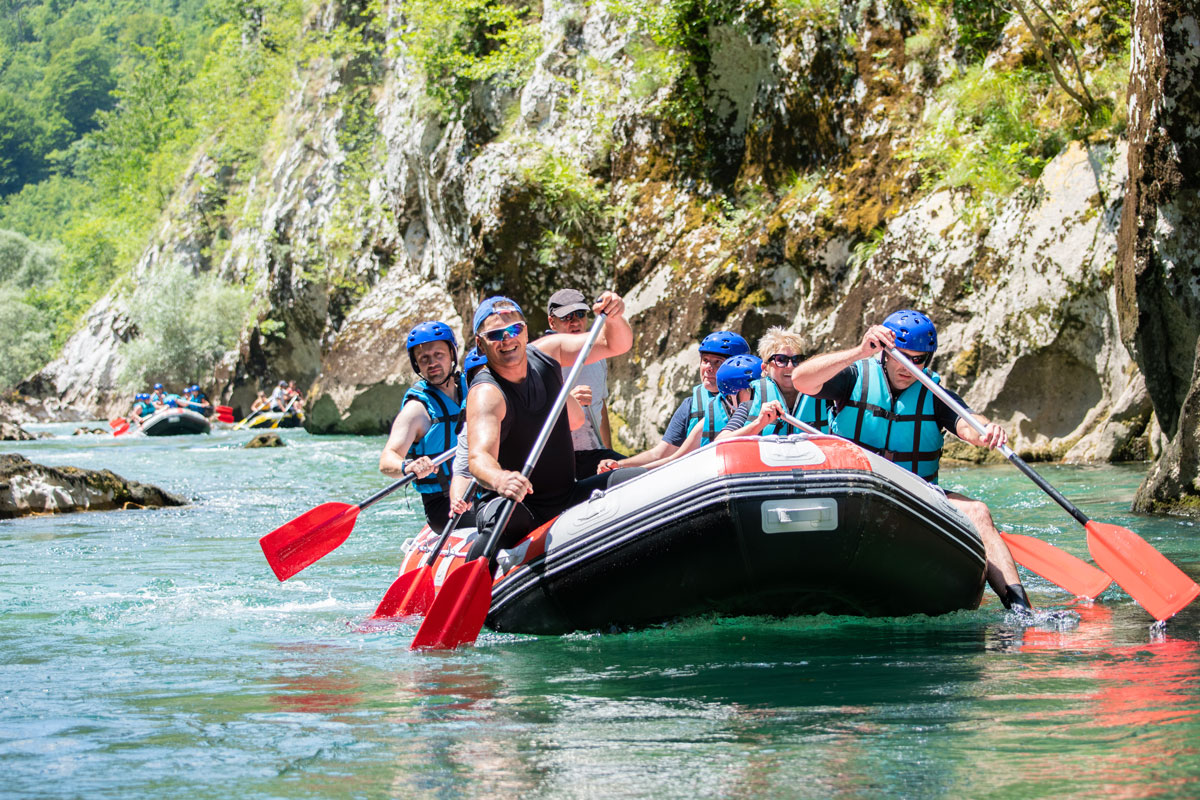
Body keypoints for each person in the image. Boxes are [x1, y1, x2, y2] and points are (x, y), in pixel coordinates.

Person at [790, 309, 1033, 613]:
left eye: (918, 360)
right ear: (886, 353)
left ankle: (1020, 609)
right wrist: (859, 351)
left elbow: (968, 423)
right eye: (902, 357)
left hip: (912, 494)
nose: (909, 367)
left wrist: (986, 432)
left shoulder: (933, 394)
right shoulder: (854, 377)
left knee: (979, 512)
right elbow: (801, 380)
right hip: (852, 488)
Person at [466, 293, 642, 563]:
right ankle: (475, 580)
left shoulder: (549, 351)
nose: (507, 339)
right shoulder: (486, 393)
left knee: (636, 479)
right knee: (507, 516)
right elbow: (479, 458)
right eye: (495, 335)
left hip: (566, 495)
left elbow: (614, 343)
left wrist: (615, 316)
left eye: (515, 329)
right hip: (517, 503)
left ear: (525, 331)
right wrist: (501, 479)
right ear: (480, 343)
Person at [595, 330, 750, 472]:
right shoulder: (690, 406)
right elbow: (661, 454)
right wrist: (620, 465)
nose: (708, 368)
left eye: (718, 362)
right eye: (705, 360)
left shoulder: (756, 400)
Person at [379, 321, 470, 530]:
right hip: (444, 504)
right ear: (417, 365)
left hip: (480, 488)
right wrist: (408, 466)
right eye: (424, 359)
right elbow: (387, 459)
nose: (432, 363)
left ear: (452, 354)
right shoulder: (416, 410)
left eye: (439, 355)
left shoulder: (475, 388)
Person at [544, 288, 623, 476]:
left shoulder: (597, 354)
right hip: (558, 458)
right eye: (566, 317)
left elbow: (600, 404)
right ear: (551, 322)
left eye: (580, 314)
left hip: (595, 453)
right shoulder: (543, 360)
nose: (576, 322)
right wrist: (567, 401)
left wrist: (607, 451)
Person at [756, 327, 830, 434]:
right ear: (765, 368)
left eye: (797, 360)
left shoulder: (826, 396)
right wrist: (758, 423)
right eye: (781, 360)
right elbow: (724, 438)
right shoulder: (752, 397)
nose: (790, 366)